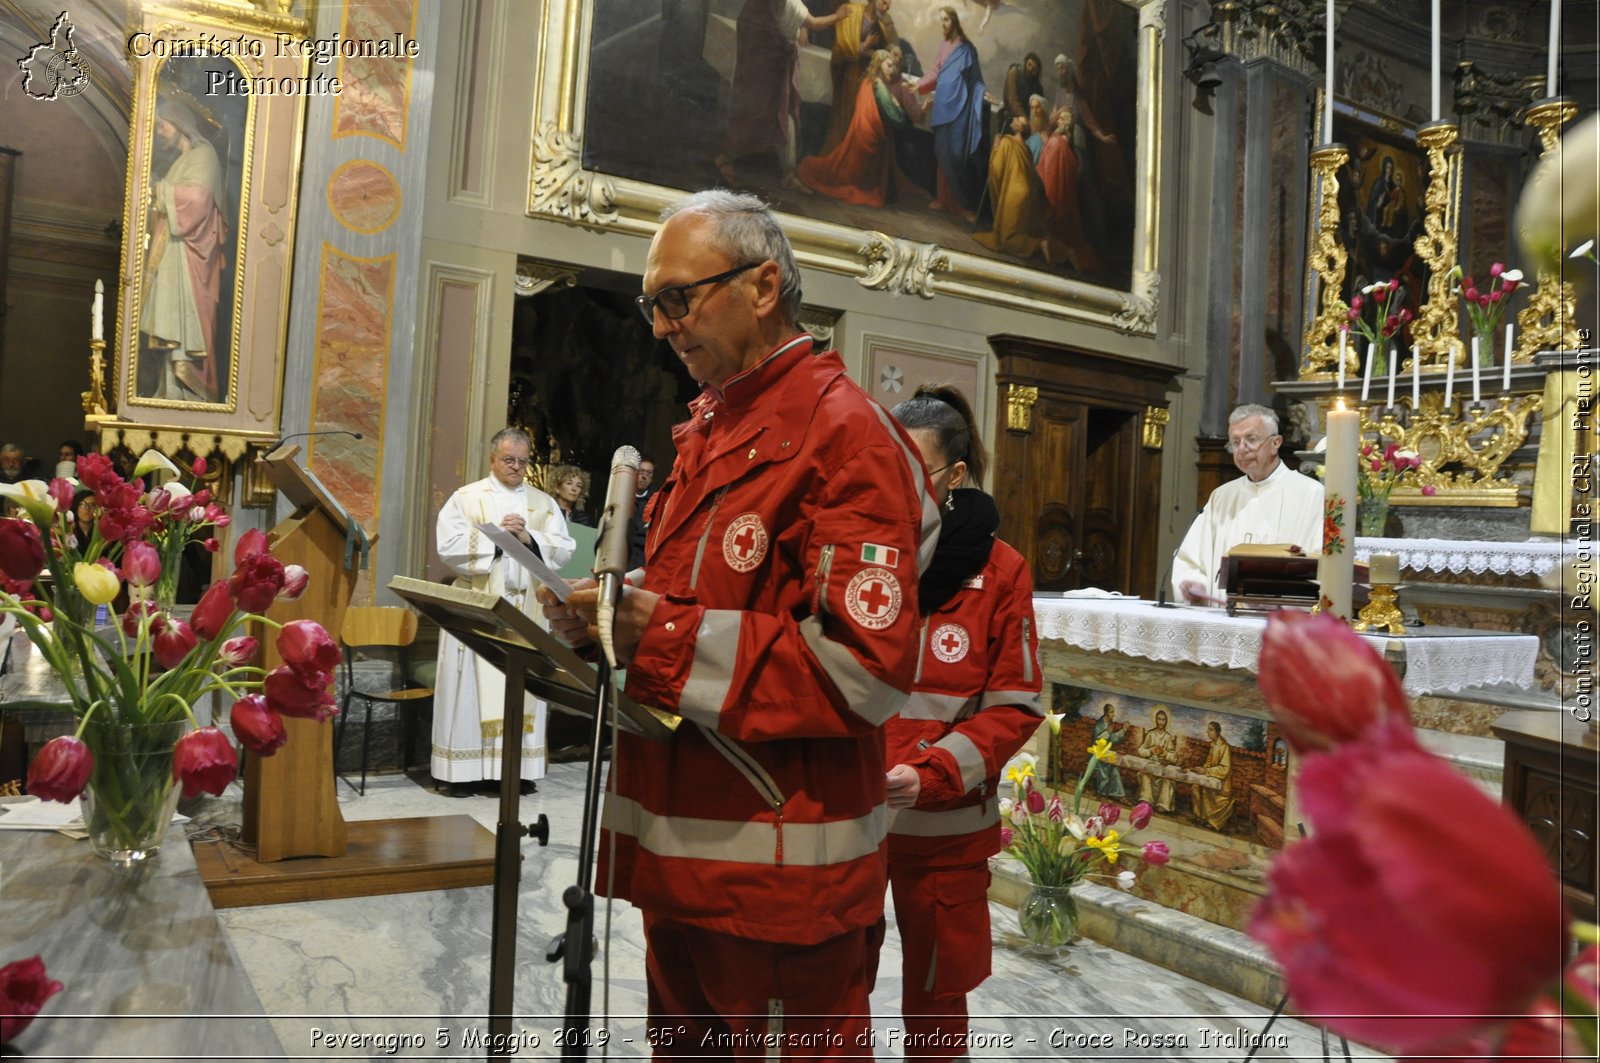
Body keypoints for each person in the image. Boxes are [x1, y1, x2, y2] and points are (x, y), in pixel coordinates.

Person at [541, 189, 937, 1052]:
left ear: (763, 287)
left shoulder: (844, 433)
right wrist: (612, 606)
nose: (659, 326)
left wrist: (662, 634)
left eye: (677, 299)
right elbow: (714, 586)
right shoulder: (715, 426)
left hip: (780, 881)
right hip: (684, 851)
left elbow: (864, 671)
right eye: (653, 306)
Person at [883, 384, 1043, 1061]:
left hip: (943, 823)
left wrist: (935, 771)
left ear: (953, 476)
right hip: (848, 815)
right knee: (825, 989)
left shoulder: (999, 571)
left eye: (914, 470)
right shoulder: (862, 553)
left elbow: (1015, 705)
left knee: (938, 995)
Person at [432, 427, 575, 798]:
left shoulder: (543, 504)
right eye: (508, 460)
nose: (515, 467)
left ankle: (514, 771)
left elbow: (563, 549)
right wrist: (498, 537)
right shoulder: (468, 497)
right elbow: (448, 545)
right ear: (493, 459)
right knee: (470, 693)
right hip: (479, 612)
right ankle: (462, 772)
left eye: (522, 462)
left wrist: (531, 540)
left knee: (523, 688)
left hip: (526, 613)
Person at [1171, 403, 1324, 604]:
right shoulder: (1222, 496)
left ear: (1276, 443)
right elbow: (1189, 560)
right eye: (1235, 442)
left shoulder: (1310, 493)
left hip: (1278, 621)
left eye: (1251, 439)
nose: (1242, 449)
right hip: (1221, 618)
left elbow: (1319, 562)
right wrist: (1194, 583)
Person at [139, 97, 227, 403]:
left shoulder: (205, 155)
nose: (160, 132)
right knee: (171, 325)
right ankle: (169, 389)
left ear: (179, 125)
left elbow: (199, 199)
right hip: (175, 254)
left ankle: (187, 393)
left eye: (162, 126)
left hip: (192, 258)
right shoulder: (181, 162)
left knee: (187, 327)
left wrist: (158, 189)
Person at [715, 0, 849, 193]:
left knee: (786, 118)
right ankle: (725, 158)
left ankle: (788, 173)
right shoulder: (759, 4)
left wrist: (834, 17)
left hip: (779, 71)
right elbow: (749, 29)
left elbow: (814, 23)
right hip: (760, 72)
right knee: (751, 115)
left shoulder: (791, 3)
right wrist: (836, 17)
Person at [797, 48, 927, 208]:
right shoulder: (879, 86)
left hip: (861, 135)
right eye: (889, 65)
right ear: (879, 65)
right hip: (869, 140)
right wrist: (897, 106)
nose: (892, 70)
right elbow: (897, 118)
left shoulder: (868, 80)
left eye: (893, 66)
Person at [916, 7, 986, 221]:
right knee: (941, 150)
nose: (943, 24)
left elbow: (976, 80)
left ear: (954, 21)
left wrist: (984, 93)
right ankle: (942, 198)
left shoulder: (967, 49)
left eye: (946, 20)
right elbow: (936, 71)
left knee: (956, 155)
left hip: (960, 108)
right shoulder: (944, 45)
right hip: (942, 106)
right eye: (942, 20)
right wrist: (919, 84)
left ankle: (963, 205)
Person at [1193, 720, 1236, 830]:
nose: (1207, 732)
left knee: (1210, 793)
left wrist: (1207, 771)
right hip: (1211, 777)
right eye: (1208, 729)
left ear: (1217, 732)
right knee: (1195, 787)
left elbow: (1224, 769)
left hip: (1222, 783)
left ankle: (1213, 821)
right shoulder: (1213, 745)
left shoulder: (1224, 747)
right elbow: (1209, 762)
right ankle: (1201, 816)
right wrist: (1203, 768)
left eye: (1210, 730)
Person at [1134, 706, 1177, 812]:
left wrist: (1164, 753)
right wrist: (1150, 750)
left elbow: (1174, 757)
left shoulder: (1167, 737)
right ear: (1155, 720)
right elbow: (1141, 750)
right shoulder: (1150, 734)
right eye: (1159, 719)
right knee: (1145, 775)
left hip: (1161, 767)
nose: (1161, 722)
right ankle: (1146, 800)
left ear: (1166, 721)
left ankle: (1162, 804)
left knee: (1167, 779)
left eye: (1163, 719)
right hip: (1150, 765)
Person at [1090, 703, 1125, 798]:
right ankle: (1102, 791)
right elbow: (1098, 739)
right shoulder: (1100, 724)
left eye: (1114, 712)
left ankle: (1116, 793)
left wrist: (1123, 731)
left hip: (1104, 752)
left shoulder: (1108, 724)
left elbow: (1111, 739)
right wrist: (1107, 732)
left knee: (1114, 767)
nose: (1113, 714)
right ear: (1106, 712)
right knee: (1105, 767)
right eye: (1112, 712)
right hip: (1096, 753)